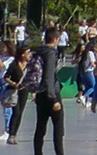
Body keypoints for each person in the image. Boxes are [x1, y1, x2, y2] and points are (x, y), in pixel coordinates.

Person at [34, 27, 66, 155]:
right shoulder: (51, 53)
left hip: (40, 93)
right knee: (58, 129)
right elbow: (49, 76)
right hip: (52, 94)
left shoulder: (38, 51)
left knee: (40, 127)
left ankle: (38, 152)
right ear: (54, 39)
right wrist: (53, 98)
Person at [8, 44, 38, 146]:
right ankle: (11, 134)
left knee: (20, 113)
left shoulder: (29, 66)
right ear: (22, 54)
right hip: (14, 91)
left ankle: (14, 135)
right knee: (16, 112)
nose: (30, 54)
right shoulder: (14, 65)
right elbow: (6, 77)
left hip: (24, 90)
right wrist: (14, 84)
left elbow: (32, 79)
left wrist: (33, 92)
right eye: (28, 53)